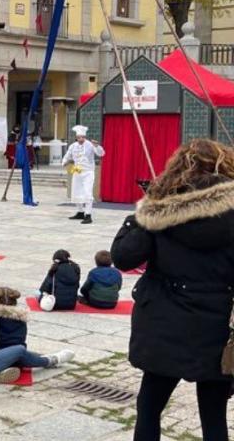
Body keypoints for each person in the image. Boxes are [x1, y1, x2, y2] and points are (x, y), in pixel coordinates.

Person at [110, 139, 234, 441]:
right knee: (214, 416)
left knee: (149, 408)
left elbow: (123, 256)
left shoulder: (160, 210)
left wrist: (142, 212)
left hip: (164, 326)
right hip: (217, 328)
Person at [62, 125, 106, 224]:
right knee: (76, 192)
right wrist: (64, 162)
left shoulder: (90, 145)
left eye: (82, 137)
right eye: (79, 137)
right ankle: (80, 212)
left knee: (87, 193)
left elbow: (101, 153)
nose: (81, 139)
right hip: (77, 171)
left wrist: (97, 146)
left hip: (88, 172)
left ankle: (88, 215)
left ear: (85, 137)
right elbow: (67, 156)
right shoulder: (73, 146)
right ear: (76, 137)